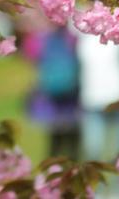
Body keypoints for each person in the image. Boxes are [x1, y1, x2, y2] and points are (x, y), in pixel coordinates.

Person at [23, 29, 82, 158]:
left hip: (52, 91)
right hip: (71, 91)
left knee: (55, 132)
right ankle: (72, 159)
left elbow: (31, 60)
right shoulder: (72, 39)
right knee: (72, 130)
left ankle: (53, 159)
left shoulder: (40, 40)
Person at [76, 33, 119, 160]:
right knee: (117, 142)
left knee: (97, 141)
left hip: (98, 94)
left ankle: (99, 168)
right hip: (113, 92)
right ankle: (117, 166)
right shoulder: (116, 34)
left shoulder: (83, 37)